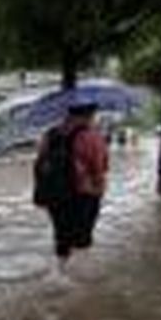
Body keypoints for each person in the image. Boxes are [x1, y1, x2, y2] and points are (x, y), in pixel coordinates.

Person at [35, 98, 110, 273]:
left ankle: (60, 272)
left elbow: (41, 161)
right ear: (89, 114)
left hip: (55, 194)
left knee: (61, 235)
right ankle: (81, 279)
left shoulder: (50, 134)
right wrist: (99, 188)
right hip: (83, 193)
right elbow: (99, 167)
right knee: (82, 238)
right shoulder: (91, 136)